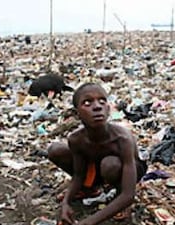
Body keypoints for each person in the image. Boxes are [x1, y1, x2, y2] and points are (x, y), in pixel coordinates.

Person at [48, 83, 148, 225]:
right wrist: (66, 203)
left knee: (110, 164)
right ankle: (90, 189)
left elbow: (129, 195)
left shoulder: (122, 139)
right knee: (55, 150)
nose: (97, 106)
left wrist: (88, 222)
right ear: (77, 113)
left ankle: (118, 199)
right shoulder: (76, 139)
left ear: (108, 109)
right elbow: (78, 174)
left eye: (102, 101)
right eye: (87, 103)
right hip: (96, 170)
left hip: (126, 171)